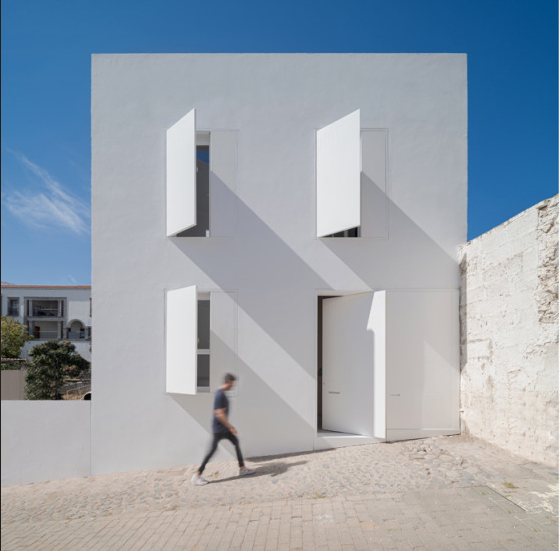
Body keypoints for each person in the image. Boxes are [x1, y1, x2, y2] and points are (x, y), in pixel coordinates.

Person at [191, 373, 254, 486]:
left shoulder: (221, 393)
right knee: (212, 451)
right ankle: (197, 475)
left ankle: (242, 468)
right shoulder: (220, 395)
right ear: (228, 382)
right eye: (232, 384)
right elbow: (219, 413)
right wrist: (230, 427)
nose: (233, 386)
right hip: (220, 429)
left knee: (235, 442)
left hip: (222, 428)